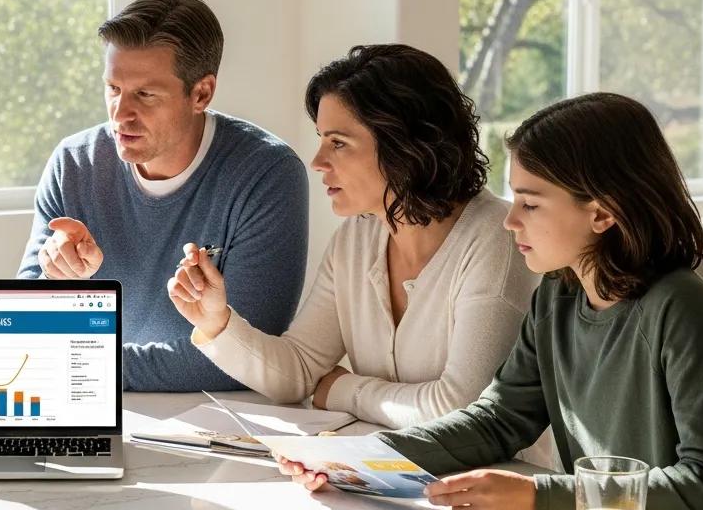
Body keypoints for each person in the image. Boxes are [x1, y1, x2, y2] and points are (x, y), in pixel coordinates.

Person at [282, 94, 703, 510]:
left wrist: (538, 500)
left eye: (529, 203)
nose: (510, 221)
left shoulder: (681, 308)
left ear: (601, 213)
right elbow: (499, 420)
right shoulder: (557, 295)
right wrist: (363, 461)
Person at [168, 43, 542, 436]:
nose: (317, 161)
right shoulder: (356, 240)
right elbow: (297, 371)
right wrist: (217, 321)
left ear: (405, 146)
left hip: (486, 485)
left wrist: (345, 390)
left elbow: (458, 409)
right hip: (387, 476)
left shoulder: (497, 238)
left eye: (338, 143)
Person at [17, 0, 309, 391]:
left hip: (214, 422)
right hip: (92, 404)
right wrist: (57, 283)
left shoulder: (266, 174)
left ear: (201, 94)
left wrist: (91, 366)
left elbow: (248, 355)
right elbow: (21, 337)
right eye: (113, 89)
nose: (120, 114)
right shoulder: (74, 164)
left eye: (145, 94)